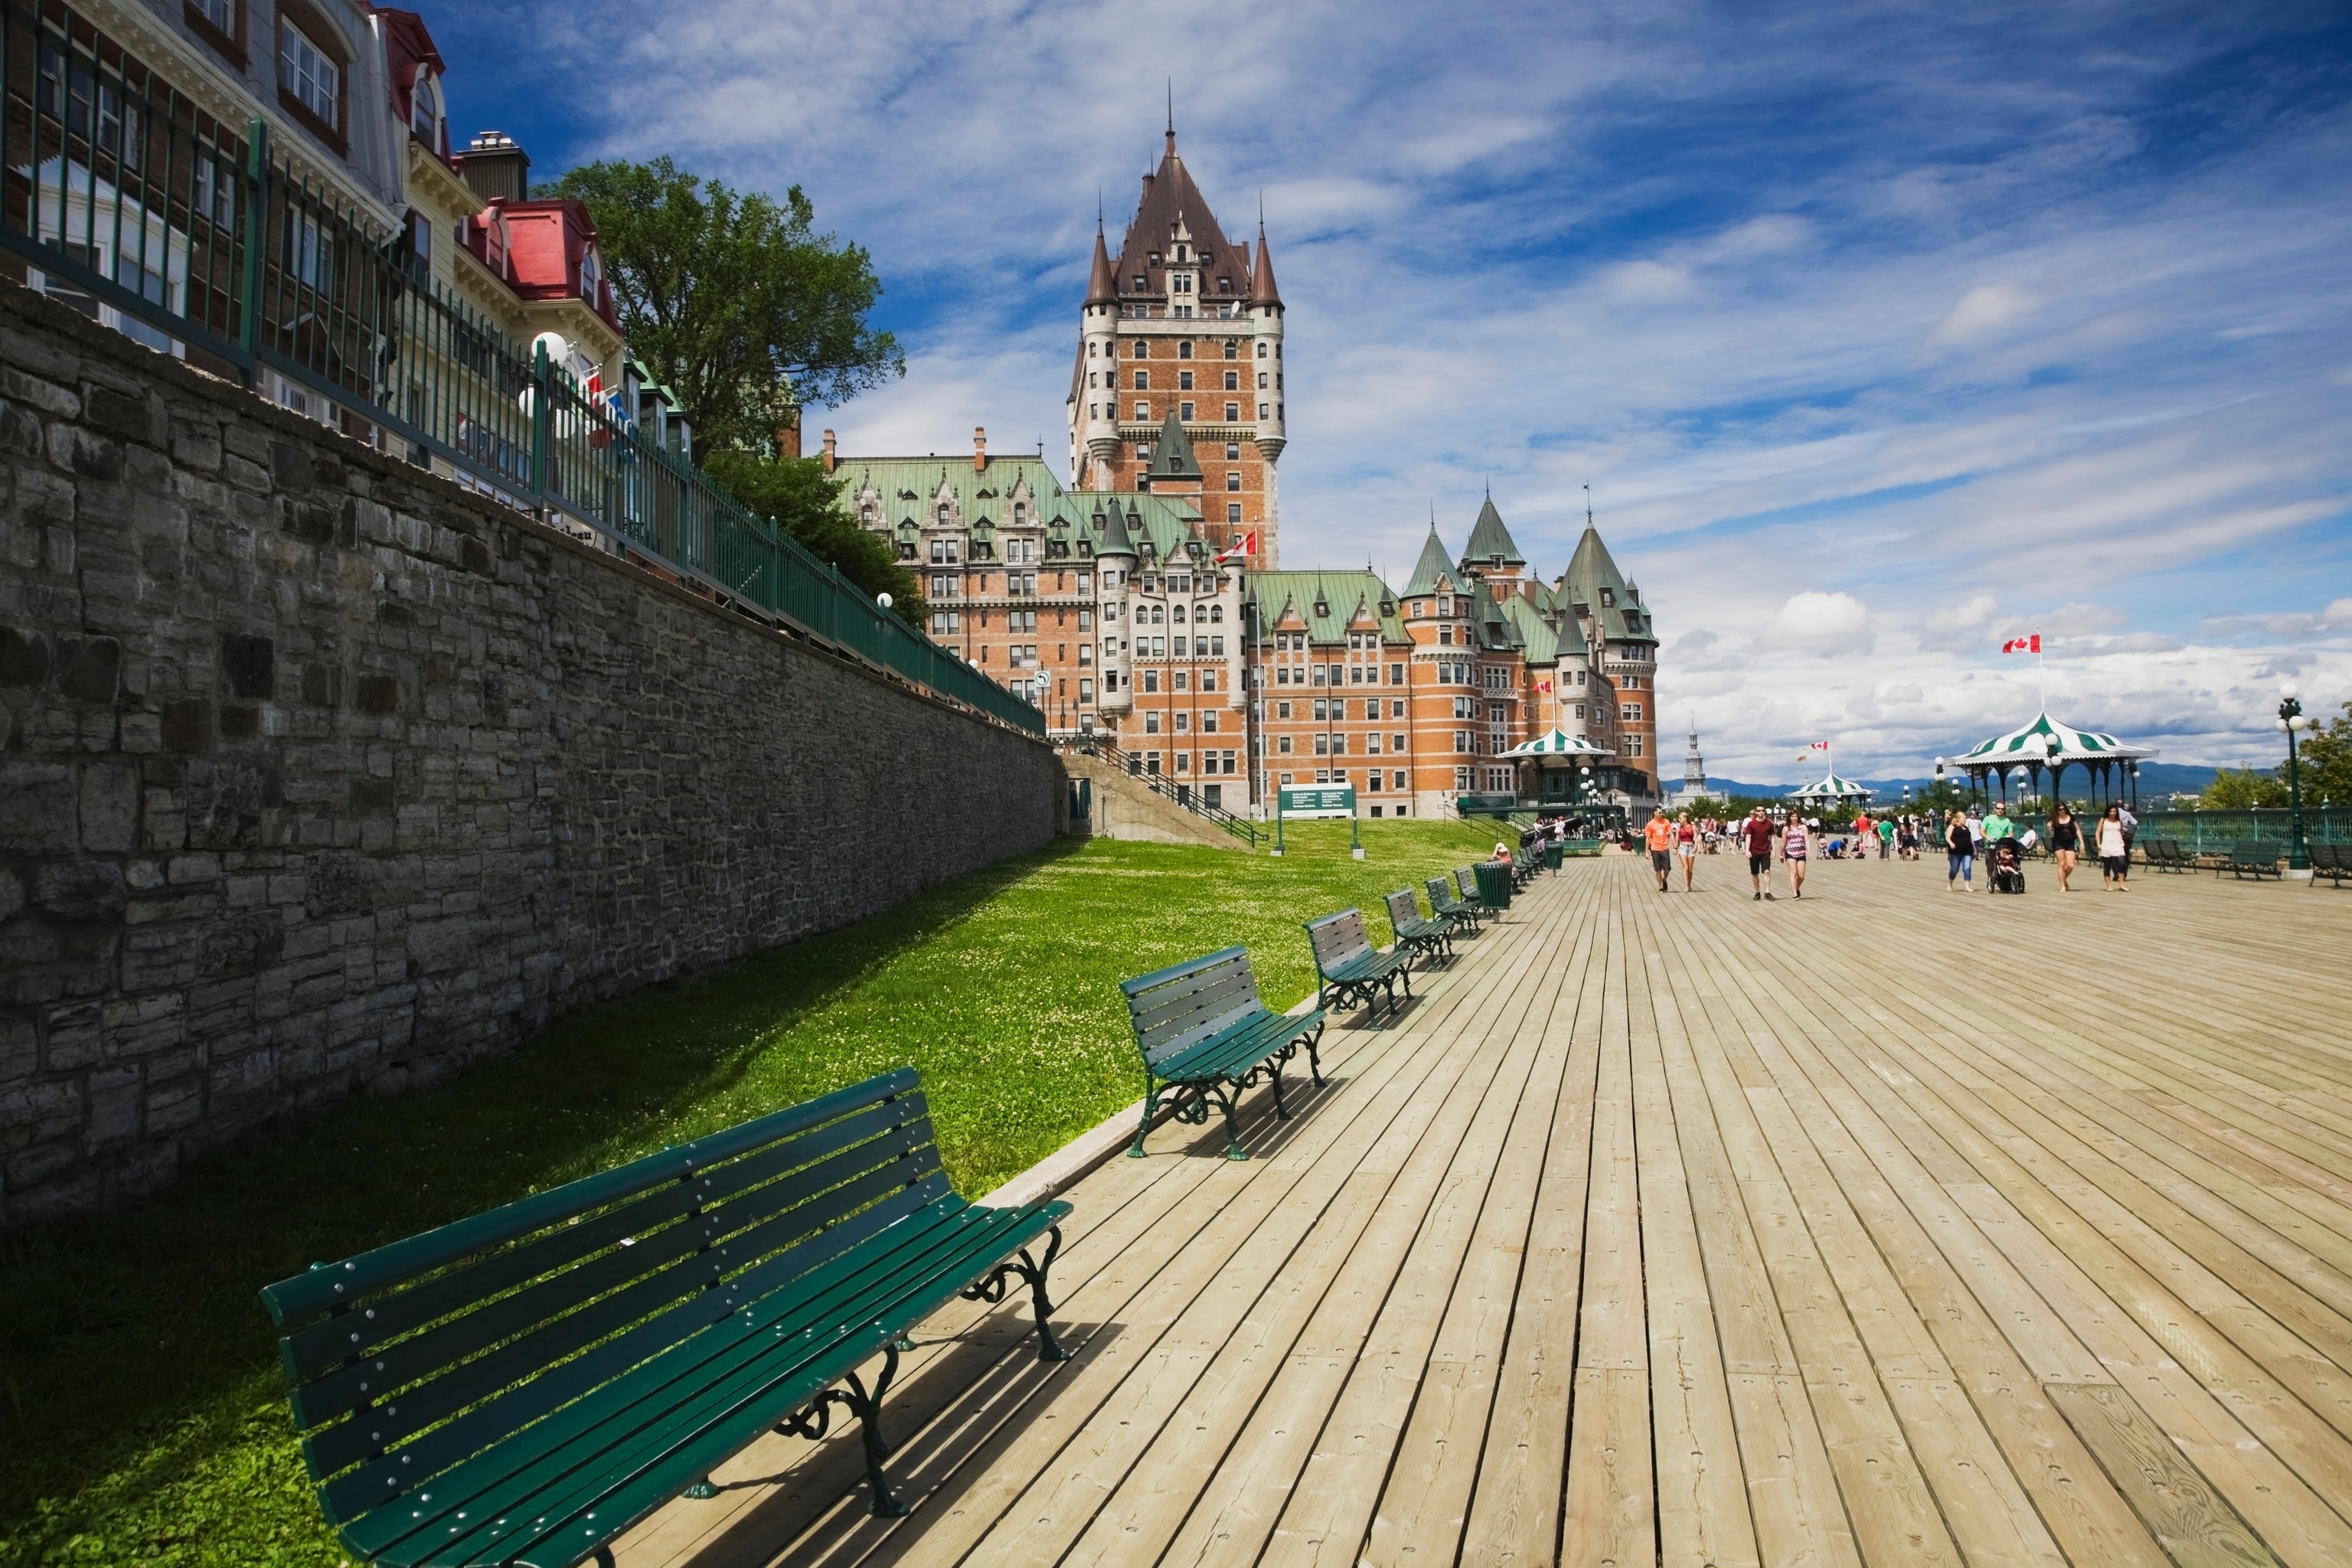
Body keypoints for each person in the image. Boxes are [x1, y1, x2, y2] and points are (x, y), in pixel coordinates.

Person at [1743, 805, 1777, 900]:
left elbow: (1772, 836)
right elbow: (1748, 837)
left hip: (1765, 851)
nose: (1761, 812)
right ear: (1756, 812)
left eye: (1763, 810)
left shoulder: (1769, 823)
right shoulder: (1751, 824)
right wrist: (1747, 850)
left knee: (1767, 871)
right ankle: (1757, 892)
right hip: (1754, 851)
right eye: (1759, 811)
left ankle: (1767, 892)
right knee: (1755, 873)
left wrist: (1774, 850)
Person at [2097, 804, 2130, 890]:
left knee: (2122, 863)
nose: (2112, 813)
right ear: (2108, 812)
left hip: (2118, 845)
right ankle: (2108, 885)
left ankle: (2121, 883)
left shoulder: (2119, 821)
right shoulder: (2103, 820)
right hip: (2107, 845)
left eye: (2114, 811)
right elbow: (2097, 832)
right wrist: (2098, 844)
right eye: (2111, 811)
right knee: (2107, 865)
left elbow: (2120, 831)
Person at [2050, 804, 2081, 891]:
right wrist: (2049, 828)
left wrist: (2082, 842)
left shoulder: (2071, 817)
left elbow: (2077, 829)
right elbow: (2048, 834)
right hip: (2058, 842)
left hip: (2070, 842)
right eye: (2060, 810)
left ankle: (2063, 878)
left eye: (2064, 809)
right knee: (2062, 863)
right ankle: (2062, 886)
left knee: (2070, 865)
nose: (2062, 811)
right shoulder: (2053, 819)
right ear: (2057, 811)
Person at [1644, 807, 1675, 892]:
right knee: (1658, 869)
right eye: (1660, 813)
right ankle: (1660, 886)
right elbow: (1648, 838)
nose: (1661, 814)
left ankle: (1664, 879)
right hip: (1655, 849)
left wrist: (1675, 847)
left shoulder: (1666, 822)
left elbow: (1671, 834)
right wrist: (1646, 851)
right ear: (1655, 813)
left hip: (1664, 848)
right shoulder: (1650, 824)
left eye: (1662, 813)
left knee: (1667, 869)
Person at [1946, 809, 1975, 891]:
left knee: (1967, 868)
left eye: (1966, 818)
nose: (1965, 820)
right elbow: (1947, 837)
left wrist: (1974, 850)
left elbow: (1970, 839)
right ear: (1958, 819)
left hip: (1967, 851)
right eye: (1964, 818)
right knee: (1954, 869)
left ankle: (1967, 887)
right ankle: (1950, 883)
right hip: (1955, 852)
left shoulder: (1966, 828)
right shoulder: (1952, 827)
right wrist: (1951, 843)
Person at [1783, 812, 1811, 897]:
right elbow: (1783, 843)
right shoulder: (1786, 829)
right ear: (1789, 818)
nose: (1794, 818)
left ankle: (1797, 887)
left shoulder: (1803, 827)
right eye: (1792, 817)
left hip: (1801, 852)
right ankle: (1794, 893)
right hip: (1790, 852)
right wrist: (1781, 854)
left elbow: (1806, 840)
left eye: (1795, 816)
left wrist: (1808, 851)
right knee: (1793, 873)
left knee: (1801, 876)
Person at [1676, 812, 1699, 890]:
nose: (1679, 820)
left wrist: (1695, 847)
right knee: (1685, 868)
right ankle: (1686, 886)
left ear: (1685, 818)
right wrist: (1675, 848)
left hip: (1691, 847)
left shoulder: (1692, 827)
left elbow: (1696, 838)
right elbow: (1677, 839)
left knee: (1690, 869)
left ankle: (1689, 884)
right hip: (1682, 847)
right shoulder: (1679, 828)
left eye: (1680, 818)